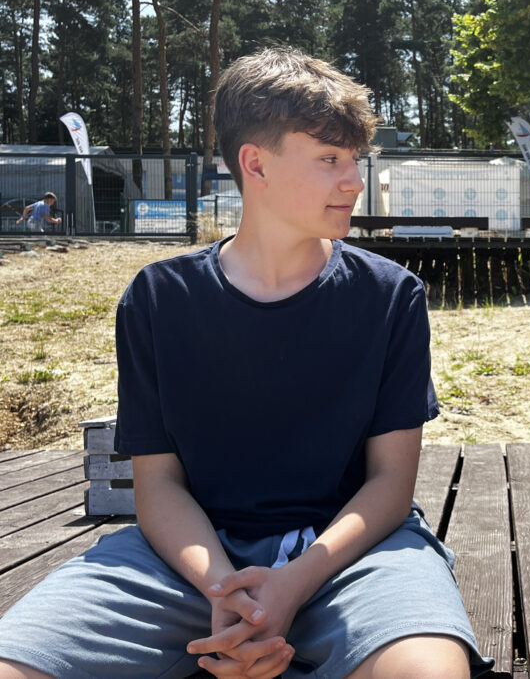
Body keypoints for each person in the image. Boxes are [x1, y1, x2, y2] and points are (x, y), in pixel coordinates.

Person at [0, 47, 491, 679]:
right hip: (184, 564)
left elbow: (391, 487)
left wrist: (290, 584)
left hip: (354, 558)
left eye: (355, 160)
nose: (354, 181)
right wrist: (224, 591)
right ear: (255, 164)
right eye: (330, 159)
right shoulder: (159, 299)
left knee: (429, 671)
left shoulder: (390, 296)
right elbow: (157, 485)